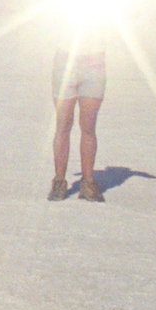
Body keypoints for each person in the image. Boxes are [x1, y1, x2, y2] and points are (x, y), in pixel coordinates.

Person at [49, 11, 106, 203]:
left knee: (88, 127)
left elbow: (128, 9)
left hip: (94, 62)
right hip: (66, 60)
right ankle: (59, 182)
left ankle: (88, 183)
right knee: (63, 125)